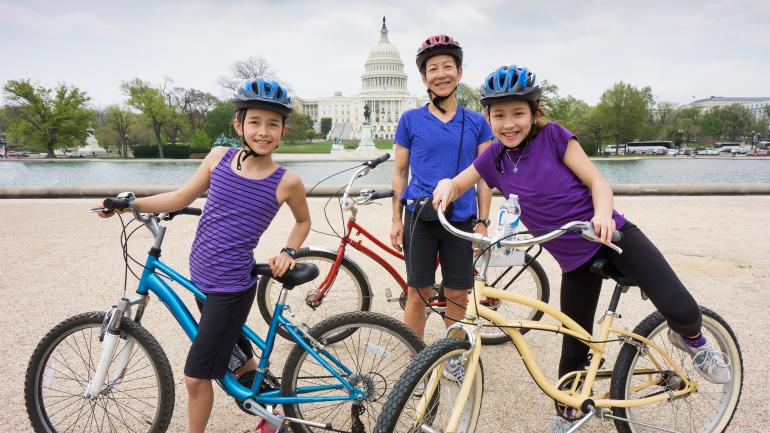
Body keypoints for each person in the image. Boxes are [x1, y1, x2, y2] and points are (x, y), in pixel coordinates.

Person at [431, 65, 731, 432]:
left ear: (534, 113)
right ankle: (567, 414)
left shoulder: (554, 137)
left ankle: (694, 341)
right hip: (574, 261)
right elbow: (459, 183)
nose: (509, 124)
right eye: (499, 115)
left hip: (612, 239)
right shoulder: (493, 158)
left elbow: (597, 182)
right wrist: (446, 186)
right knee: (573, 346)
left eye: (518, 113)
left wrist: (602, 215)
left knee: (680, 307)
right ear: (488, 118)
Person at [99, 78, 311, 433]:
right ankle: (272, 414)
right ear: (238, 125)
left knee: (196, 378)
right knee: (237, 358)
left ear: (283, 130)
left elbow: (303, 221)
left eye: (273, 124)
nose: (263, 131)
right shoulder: (218, 158)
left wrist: (288, 250)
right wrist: (129, 203)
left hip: (230, 288)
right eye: (255, 122)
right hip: (203, 279)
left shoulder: (286, 181)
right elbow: (181, 198)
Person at [390, 34, 494, 376]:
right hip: (420, 215)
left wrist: (483, 221)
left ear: (459, 73)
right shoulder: (410, 120)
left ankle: (452, 358)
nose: (440, 74)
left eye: (447, 66)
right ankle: (415, 363)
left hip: (460, 219)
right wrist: (396, 219)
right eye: (432, 68)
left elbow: (484, 177)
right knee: (417, 293)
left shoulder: (477, 122)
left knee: (458, 294)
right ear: (424, 78)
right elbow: (400, 172)